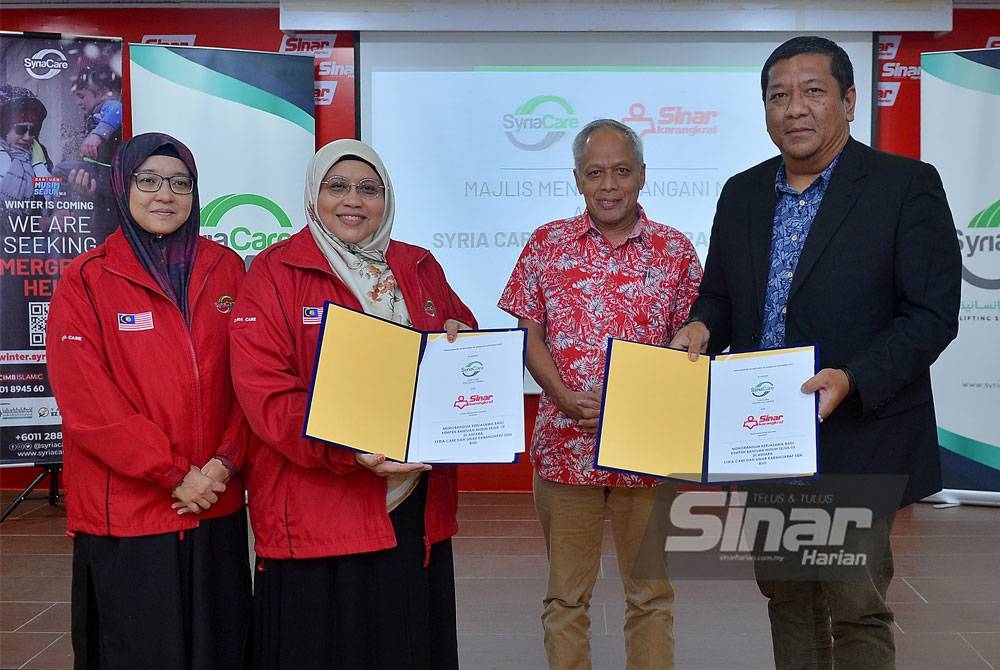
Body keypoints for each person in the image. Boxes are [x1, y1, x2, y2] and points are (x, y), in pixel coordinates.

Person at [670, 36, 962, 669]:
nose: (794, 108)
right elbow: (719, 297)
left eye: (812, 92)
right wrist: (699, 327)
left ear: (849, 101)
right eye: (778, 96)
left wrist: (853, 378)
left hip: (856, 430)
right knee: (786, 594)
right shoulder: (741, 194)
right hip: (763, 437)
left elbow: (932, 315)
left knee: (855, 602)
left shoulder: (904, 186)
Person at [229, 138, 475, 670]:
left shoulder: (417, 265)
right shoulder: (273, 273)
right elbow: (267, 394)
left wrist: (462, 338)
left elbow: (461, 339)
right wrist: (349, 450)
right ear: (313, 196)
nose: (353, 200)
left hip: (411, 497)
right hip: (316, 504)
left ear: (386, 200)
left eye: (369, 188)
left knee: (405, 643)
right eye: (336, 186)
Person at [498, 118, 703, 670]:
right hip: (566, 451)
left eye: (621, 171)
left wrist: (694, 343)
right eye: (595, 173)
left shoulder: (676, 251)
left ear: (642, 176)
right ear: (577, 179)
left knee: (651, 598)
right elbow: (528, 331)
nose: (608, 184)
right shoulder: (547, 244)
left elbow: (697, 335)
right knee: (566, 599)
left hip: (648, 452)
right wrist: (560, 393)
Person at [46, 132, 252, 670]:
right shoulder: (86, 279)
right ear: (123, 186)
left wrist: (224, 463)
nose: (166, 195)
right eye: (150, 181)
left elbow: (251, 379)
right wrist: (172, 473)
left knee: (221, 648)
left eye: (180, 183)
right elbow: (88, 402)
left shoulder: (228, 269)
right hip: (131, 511)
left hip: (215, 500)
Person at [0, 83, 53, 203]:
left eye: (32, 130)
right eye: (20, 129)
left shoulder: (40, 154)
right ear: (4, 129)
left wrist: (57, 210)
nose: (27, 137)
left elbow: (52, 197)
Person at [72, 64, 123, 165]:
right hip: (100, 164)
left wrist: (97, 136)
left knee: (60, 169)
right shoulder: (93, 113)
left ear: (102, 94)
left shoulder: (106, 106)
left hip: (107, 166)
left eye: (82, 97)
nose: (78, 102)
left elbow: (118, 109)